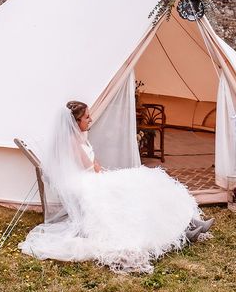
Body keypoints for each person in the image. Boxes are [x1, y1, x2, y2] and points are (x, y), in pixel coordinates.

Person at [18, 100, 214, 273]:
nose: (90, 119)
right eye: (86, 117)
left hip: (92, 177)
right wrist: (101, 171)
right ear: (75, 122)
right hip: (86, 183)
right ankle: (184, 230)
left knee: (146, 182)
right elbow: (90, 166)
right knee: (140, 184)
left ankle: (188, 224)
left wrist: (100, 169)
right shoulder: (71, 141)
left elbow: (94, 165)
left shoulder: (78, 137)